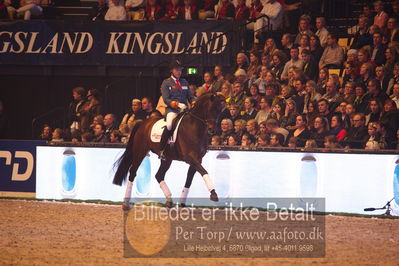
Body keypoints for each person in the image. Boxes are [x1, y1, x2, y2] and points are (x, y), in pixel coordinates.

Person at [159, 59, 196, 160]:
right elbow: (166, 99)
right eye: (177, 70)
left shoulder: (184, 82)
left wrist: (194, 102)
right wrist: (177, 104)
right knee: (170, 125)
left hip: (184, 110)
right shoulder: (166, 83)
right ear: (172, 70)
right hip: (172, 110)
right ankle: (162, 150)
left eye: (180, 70)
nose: (179, 72)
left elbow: (190, 96)